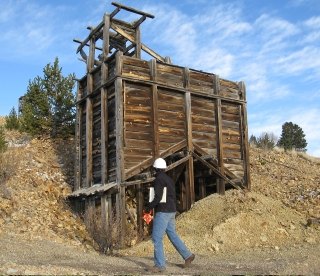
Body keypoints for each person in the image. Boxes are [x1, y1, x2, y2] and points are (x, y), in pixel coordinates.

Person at [145, 157, 195, 273]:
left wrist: (149, 207)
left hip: (163, 211)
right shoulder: (169, 179)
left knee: (157, 238)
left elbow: (158, 197)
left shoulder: (158, 180)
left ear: (155, 169)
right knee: (172, 234)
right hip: (172, 210)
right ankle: (187, 255)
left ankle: (160, 265)